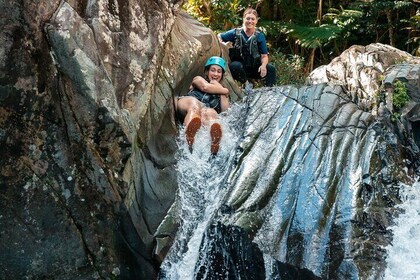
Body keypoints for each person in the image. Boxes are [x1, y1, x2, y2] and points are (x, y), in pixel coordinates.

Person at [176, 56, 230, 155]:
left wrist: (221, 92)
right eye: (212, 70)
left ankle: (214, 141)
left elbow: (225, 111)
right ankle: (189, 134)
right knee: (195, 105)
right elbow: (205, 87)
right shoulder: (198, 79)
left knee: (210, 112)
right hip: (188, 103)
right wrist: (225, 90)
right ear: (206, 72)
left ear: (222, 75)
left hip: (203, 113)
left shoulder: (222, 95)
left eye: (219, 71)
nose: (215, 74)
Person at [217, 7, 276, 87]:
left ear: (256, 21)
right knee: (234, 66)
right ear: (244, 19)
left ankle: (270, 91)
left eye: (253, 19)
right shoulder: (235, 32)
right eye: (248, 18)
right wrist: (222, 45)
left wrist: (263, 65)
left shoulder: (259, 36)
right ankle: (247, 84)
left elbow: (264, 56)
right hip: (240, 68)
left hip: (255, 67)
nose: (250, 21)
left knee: (271, 69)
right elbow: (219, 36)